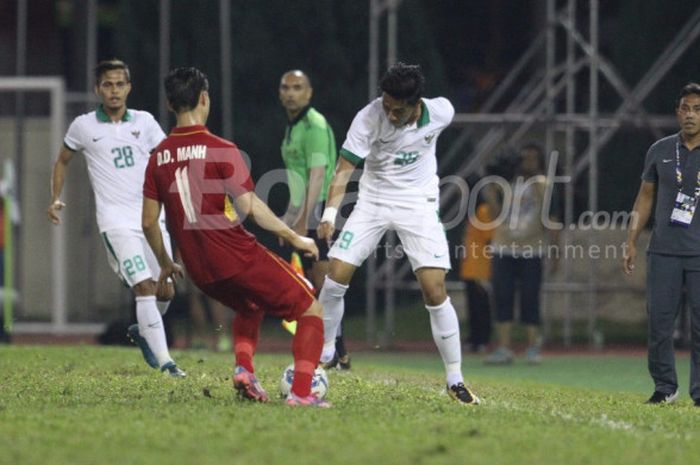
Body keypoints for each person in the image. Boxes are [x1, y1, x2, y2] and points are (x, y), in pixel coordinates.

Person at [143, 67, 328, 407]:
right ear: (204, 98)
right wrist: (297, 237)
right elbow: (251, 207)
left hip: (200, 272)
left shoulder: (157, 157)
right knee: (311, 309)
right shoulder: (221, 148)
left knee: (250, 304)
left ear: (170, 104)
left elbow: (148, 223)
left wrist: (166, 263)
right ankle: (302, 393)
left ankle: (244, 370)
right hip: (236, 256)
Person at [317, 62, 480, 405]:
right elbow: (344, 169)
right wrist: (331, 214)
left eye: (398, 110)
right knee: (336, 275)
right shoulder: (368, 117)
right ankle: (326, 353)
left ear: (417, 103)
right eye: (386, 105)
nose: (390, 114)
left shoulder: (441, 112)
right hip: (373, 201)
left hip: (418, 205)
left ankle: (455, 379)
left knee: (434, 290)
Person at [47, 59, 184, 377]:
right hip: (116, 222)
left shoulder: (146, 122)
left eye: (120, 84)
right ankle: (167, 364)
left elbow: (166, 160)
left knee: (166, 290)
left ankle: (143, 329)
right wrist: (55, 198)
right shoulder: (83, 126)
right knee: (145, 286)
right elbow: (62, 160)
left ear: (129, 88)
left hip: (151, 218)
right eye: (107, 84)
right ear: (98, 89)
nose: (114, 90)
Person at [624, 82, 700, 405]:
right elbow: (644, 199)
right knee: (659, 322)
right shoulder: (660, 150)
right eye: (685, 108)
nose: (691, 115)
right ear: (677, 112)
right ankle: (665, 387)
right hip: (664, 250)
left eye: (697, 109)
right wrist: (630, 241)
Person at [278, 69, 350, 370]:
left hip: (319, 211)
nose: (291, 92)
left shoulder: (314, 124)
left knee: (324, 283)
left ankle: (335, 353)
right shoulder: (293, 127)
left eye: (298, 87)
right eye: (286, 87)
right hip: (306, 210)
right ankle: (333, 353)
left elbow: (318, 175)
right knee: (313, 284)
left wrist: (301, 221)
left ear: (309, 93)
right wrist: (288, 218)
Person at [484, 143, 556, 365]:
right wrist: (491, 191)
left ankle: (533, 347)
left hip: (531, 250)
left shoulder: (543, 184)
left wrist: (555, 250)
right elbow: (497, 215)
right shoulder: (506, 183)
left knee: (530, 298)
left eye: (533, 158)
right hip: (504, 247)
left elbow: (550, 216)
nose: (528, 162)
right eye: (525, 158)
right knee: (502, 296)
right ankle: (504, 347)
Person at [459, 176, 494, 353]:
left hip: (481, 267)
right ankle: (475, 337)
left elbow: (489, 239)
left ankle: (482, 339)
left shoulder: (483, 211)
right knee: (473, 305)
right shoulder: (473, 212)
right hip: (471, 267)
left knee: (481, 305)